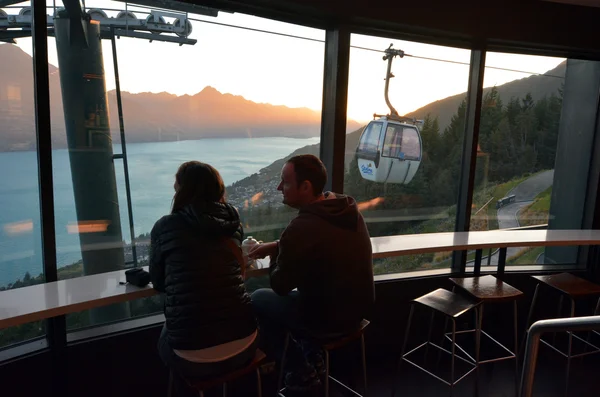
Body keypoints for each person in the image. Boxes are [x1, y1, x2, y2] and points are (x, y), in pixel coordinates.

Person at [249, 154, 375, 393]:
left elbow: (280, 285)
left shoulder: (301, 227)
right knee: (307, 297)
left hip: (328, 323)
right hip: (357, 312)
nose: (278, 188)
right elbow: (322, 243)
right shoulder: (346, 209)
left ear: (305, 186)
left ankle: (299, 369)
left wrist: (279, 250)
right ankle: (312, 353)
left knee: (258, 299)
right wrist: (280, 244)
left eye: (285, 182)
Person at [149, 161, 257, 395]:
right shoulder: (232, 224)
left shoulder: (166, 227)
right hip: (246, 342)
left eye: (176, 186)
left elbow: (158, 283)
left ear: (182, 191)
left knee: (167, 342)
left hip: (193, 357)